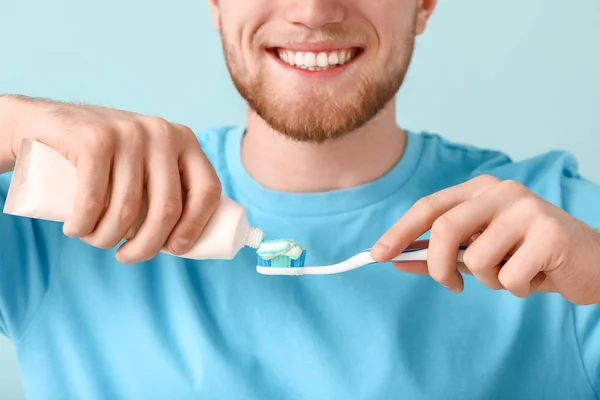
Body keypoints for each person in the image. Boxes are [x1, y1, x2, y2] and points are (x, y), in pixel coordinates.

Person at [1, 0, 599, 398]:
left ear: (423, 4)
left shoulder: (566, 235)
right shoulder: (66, 213)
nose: (314, 12)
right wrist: (15, 122)